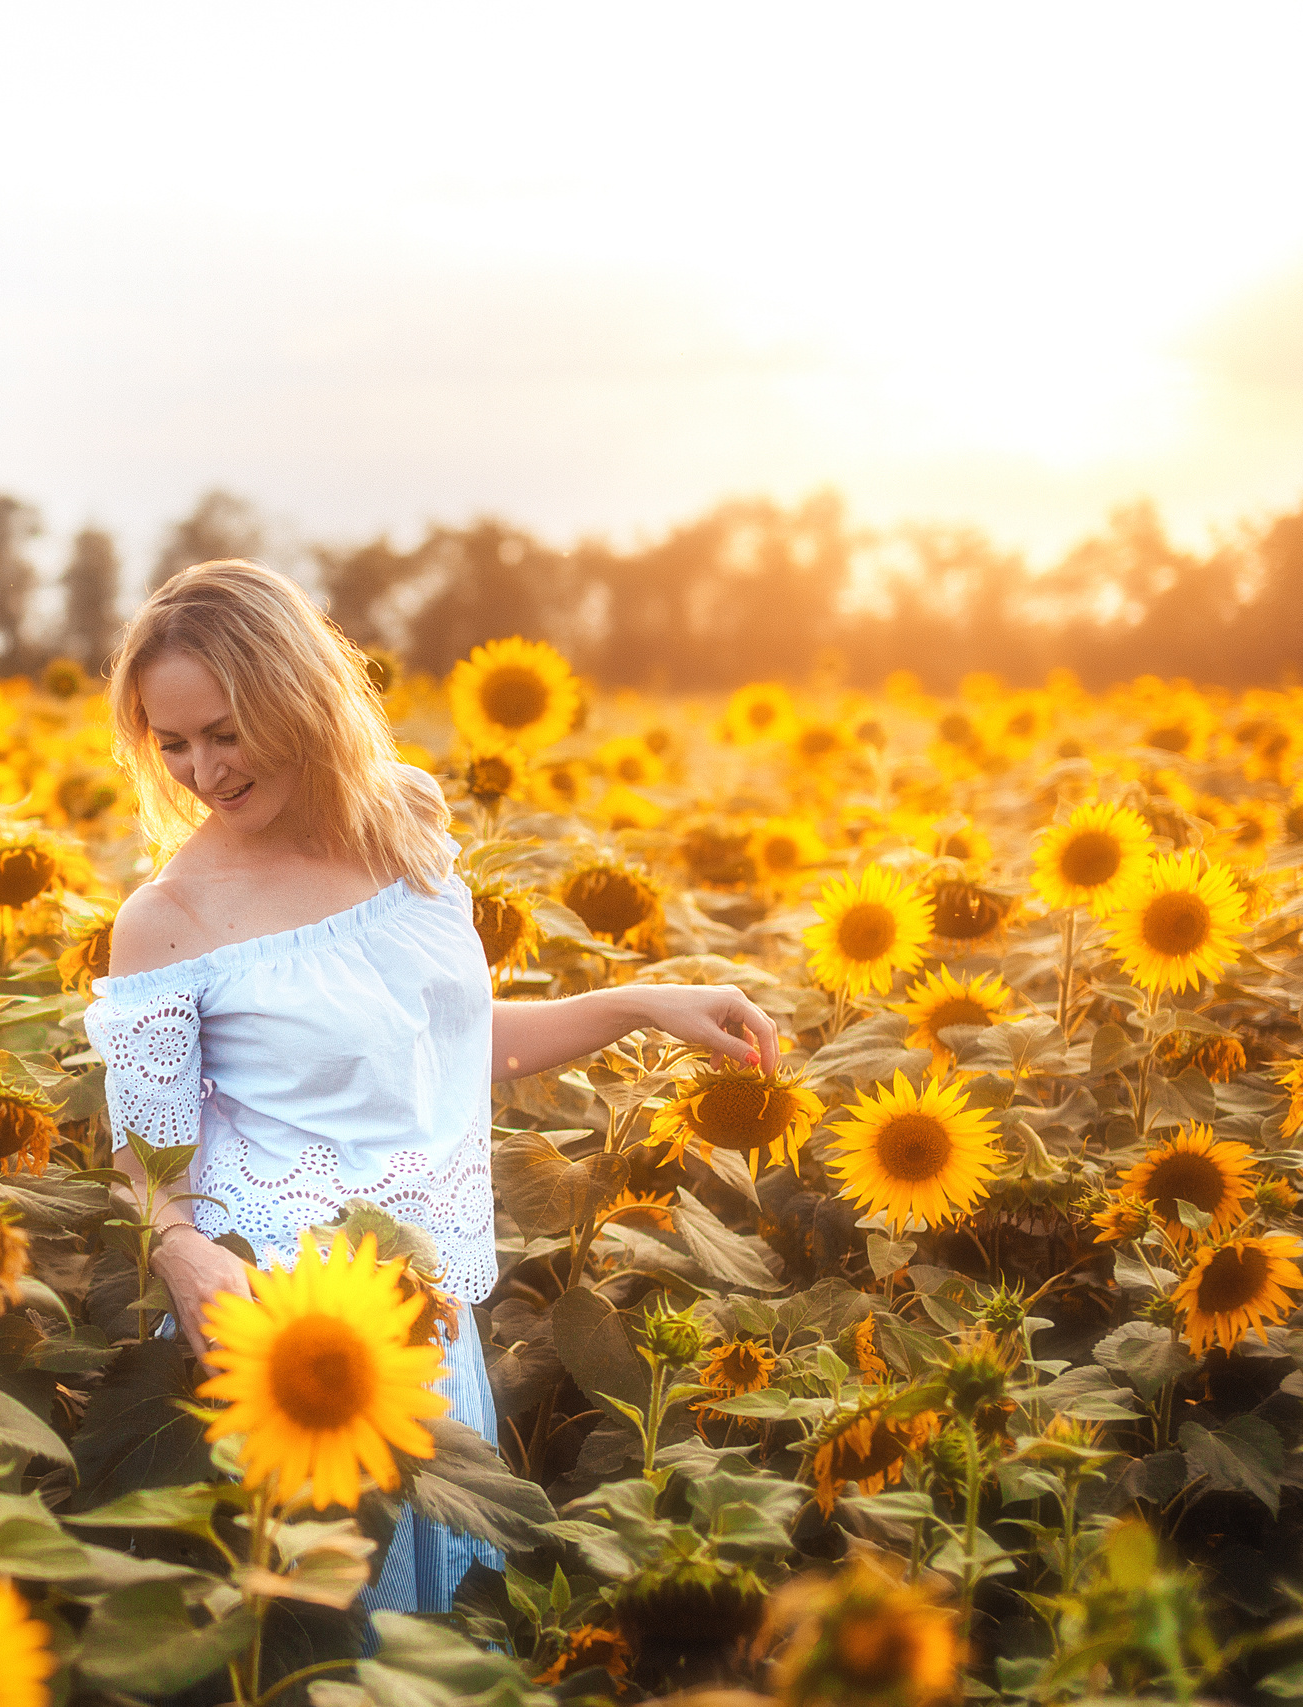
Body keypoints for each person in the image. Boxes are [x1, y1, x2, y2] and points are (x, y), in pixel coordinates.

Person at [82, 559, 782, 1614]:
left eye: (225, 732)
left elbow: (441, 1050)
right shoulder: (169, 919)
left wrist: (637, 1002)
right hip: (283, 1327)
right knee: (314, 1641)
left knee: (436, 1643)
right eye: (170, 743)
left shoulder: (403, 823)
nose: (202, 772)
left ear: (298, 697)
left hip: (422, 1307)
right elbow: (146, 1160)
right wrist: (181, 1260)